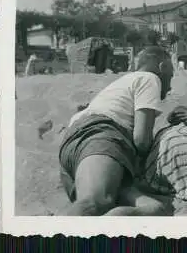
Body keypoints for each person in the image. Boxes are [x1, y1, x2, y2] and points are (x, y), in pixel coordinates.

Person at [58, 46, 174, 216]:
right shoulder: (149, 78)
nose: (170, 86)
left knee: (155, 209)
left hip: (79, 146)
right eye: (171, 75)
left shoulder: (124, 82)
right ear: (163, 66)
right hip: (101, 137)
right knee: (95, 203)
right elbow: (141, 140)